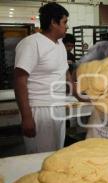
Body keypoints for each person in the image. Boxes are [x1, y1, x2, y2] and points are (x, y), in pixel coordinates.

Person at [14, 2, 72, 153]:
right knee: (39, 157)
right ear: (53, 22)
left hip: (58, 107)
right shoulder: (31, 44)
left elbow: (65, 73)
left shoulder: (60, 44)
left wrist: (81, 95)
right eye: (65, 22)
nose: (67, 26)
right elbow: (20, 80)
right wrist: (27, 117)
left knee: (56, 154)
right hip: (39, 108)